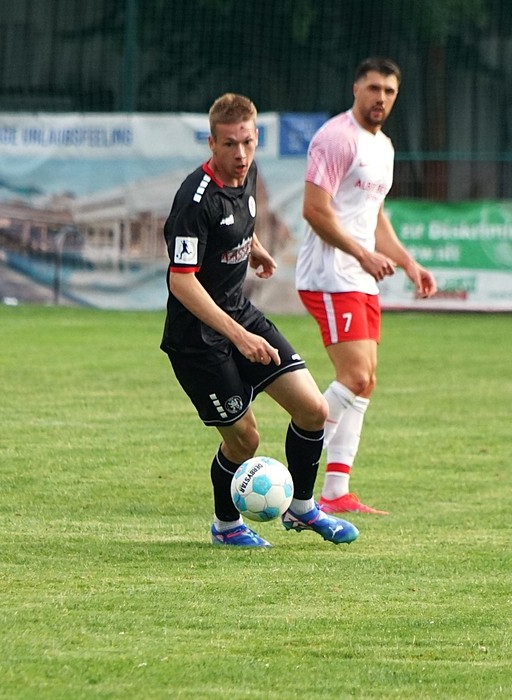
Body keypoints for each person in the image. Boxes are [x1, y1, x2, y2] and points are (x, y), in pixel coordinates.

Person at [161, 93, 359, 548]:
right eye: (230, 144)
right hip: (198, 340)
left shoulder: (247, 175)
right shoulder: (195, 199)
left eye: (248, 142)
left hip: (239, 314)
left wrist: (255, 249)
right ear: (212, 143)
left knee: (314, 410)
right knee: (244, 440)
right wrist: (239, 337)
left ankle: (302, 508)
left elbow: (236, 224)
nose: (241, 153)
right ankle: (226, 526)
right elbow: (181, 281)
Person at [296, 57, 437, 515]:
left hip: (360, 275)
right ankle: (295, 469)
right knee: (354, 376)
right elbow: (314, 210)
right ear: (356, 89)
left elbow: (374, 216)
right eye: (374, 88)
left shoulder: (384, 147)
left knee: (365, 382)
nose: (381, 98)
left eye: (389, 91)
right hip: (329, 274)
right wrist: (362, 255)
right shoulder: (336, 138)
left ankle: (336, 492)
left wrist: (408, 262)